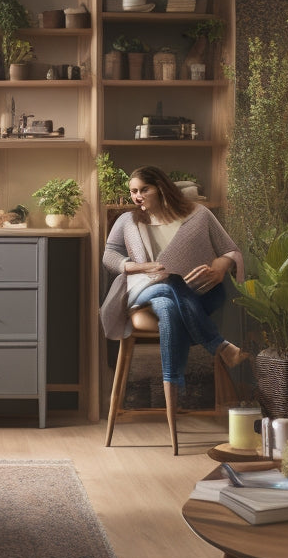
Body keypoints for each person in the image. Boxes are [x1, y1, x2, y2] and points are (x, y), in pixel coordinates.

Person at [100, 165, 248, 412]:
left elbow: (230, 250)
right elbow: (109, 255)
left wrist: (220, 267)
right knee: (171, 282)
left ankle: (172, 394)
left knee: (169, 300)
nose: (137, 196)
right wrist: (137, 266)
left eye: (143, 189)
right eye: (133, 191)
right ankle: (220, 346)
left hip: (198, 294)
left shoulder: (198, 215)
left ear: (161, 187)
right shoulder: (128, 220)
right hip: (144, 288)